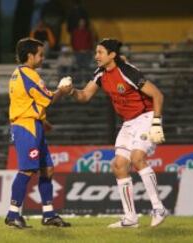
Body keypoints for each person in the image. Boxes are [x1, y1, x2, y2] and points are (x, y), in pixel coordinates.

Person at [62, 38, 168, 228]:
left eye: (100, 52)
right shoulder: (100, 74)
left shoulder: (128, 71)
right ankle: (130, 218)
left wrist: (156, 123)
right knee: (118, 165)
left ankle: (159, 208)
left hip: (146, 117)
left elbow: (157, 95)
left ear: (112, 55)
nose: (96, 56)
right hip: (129, 123)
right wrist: (70, 92)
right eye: (96, 52)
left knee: (137, 158)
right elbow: (85, 95)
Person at [5, 37, 72, 229]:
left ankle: (48, 214)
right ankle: (12, 214)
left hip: (34, 125)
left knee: (47, 169)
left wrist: (44, 121)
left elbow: (28, 102)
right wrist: (62, 90)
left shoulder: (18, 73)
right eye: (40, 55)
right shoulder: (29, 74)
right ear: (30, 56)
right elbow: (48, 99)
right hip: (27, 127)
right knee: (26, 170)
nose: (43, 58)